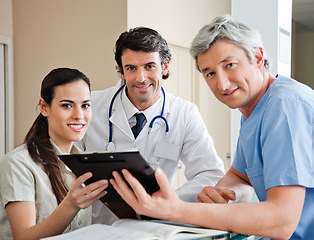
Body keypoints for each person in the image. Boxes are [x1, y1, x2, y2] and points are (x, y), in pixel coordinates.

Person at [110, 15, 314, 239]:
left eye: (229, 65)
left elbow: (281, 221)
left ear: (258, 57)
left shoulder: (286, 107)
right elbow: (241, 176)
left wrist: (177, 209)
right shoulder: (255, 111)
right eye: (210, 73)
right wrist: (220, 193)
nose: (222, 84)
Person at [79, 27, 225, 204]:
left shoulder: (184, 113)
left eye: (149, 66)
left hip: (154, 224)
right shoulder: (89, 105)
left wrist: (167, 201)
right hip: (96, 224)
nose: (141, 78)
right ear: (121, 72)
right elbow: (63, 162)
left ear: (165, 66)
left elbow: (210, 173)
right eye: (131, 68)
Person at [0, 68, 109, 240]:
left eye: (85, 105)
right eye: (67, 105)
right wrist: (71, 204)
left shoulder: (85, 163)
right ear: (44, 107)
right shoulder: (17, 164)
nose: (79, 115)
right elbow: (23, 237)